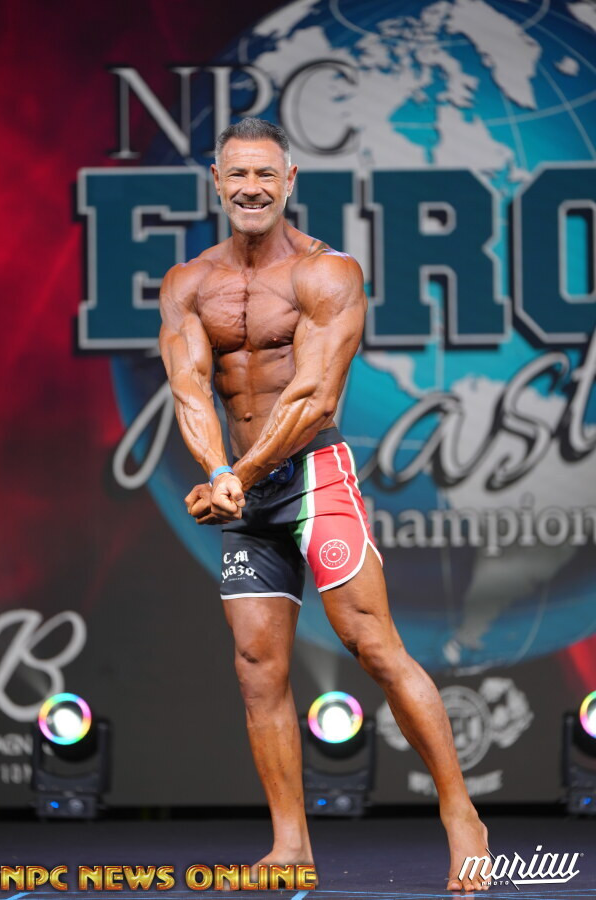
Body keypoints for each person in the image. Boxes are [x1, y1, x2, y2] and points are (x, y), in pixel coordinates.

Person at [159, 117, 491, 893]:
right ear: (216, 181)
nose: (251, 188)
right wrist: (217, 468)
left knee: (374, 646)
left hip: (314, 477)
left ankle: (461, 815)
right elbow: (189, 387)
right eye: (238, 174)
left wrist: (237, 473)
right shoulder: (188, 284)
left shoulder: (327, 273)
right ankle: (289, 847)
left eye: (264, 175)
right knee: (257, 667)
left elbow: (313, 396)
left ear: (289, 181)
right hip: (244, 493)